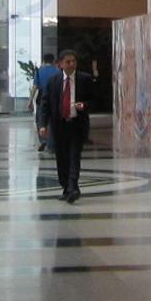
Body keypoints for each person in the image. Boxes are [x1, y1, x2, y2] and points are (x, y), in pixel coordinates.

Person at [40, 50, 95, 202]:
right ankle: (66, 187)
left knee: (74, 157)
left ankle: (73, 188)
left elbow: (93, 100)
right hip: (59, 125)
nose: (71, 64)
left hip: (77, 124)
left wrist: (84, 105)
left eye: (74, 61)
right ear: (60, 64)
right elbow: (45, 104)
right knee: (62, 158)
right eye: (68, 61)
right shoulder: (53, 81)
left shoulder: (84, 79)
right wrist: (43, 125)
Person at [32, 53, 62, 154]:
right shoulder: (58, 72)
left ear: (43, 61)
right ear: (53, 61)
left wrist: (30, 100)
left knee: (40, 119)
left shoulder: (39, 72)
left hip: (41, 96)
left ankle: (43, 139)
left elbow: (35, 86)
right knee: (52, 121)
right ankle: (51, 144)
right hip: (55, 97)